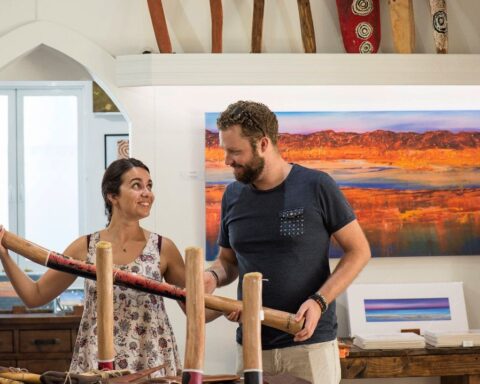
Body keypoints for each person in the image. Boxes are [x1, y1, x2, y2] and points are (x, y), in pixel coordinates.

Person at [204, 101, 371, 384]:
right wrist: (212, 276)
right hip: (251, 346)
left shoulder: (317, 185)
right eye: (225, 151)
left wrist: (319, 301)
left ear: (263, 144)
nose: (227, 160)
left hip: (310, 345)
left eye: (234, 151)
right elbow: (228, 262)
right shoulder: (232, 196)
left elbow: (359, 251)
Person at [0, 158, 184, 375]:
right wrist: (4, 255)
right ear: (112, 195)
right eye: (137, 185)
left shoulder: (163, 248)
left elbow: (197, 307)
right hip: (97, 359)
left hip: (151, 356)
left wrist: (231, 308)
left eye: (149, 186)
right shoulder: (85, 247)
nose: (147, 193)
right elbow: (35, 295)